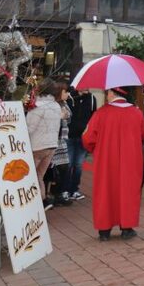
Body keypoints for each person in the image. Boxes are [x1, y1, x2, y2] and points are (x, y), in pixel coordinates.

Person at [82, 87, 144, 240]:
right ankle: (127, 227)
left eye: (107, 93)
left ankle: (104, 230)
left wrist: (93, 149)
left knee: (105, 190)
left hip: (106, 159)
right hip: (130, 159)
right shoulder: (136, 113)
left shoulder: (101, 113)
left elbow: (88, 138)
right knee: (128, 190)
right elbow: (143, 133)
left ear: (112, 93)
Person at [26, 78, 63, 211]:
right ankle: (42, 203)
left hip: (37, 146)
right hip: (51, 145)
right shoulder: (56, 106)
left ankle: (37, 205)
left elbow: (29, 128)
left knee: (29, 177)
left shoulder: (37, 106)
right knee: (39, 176)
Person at [65, 87, 96, 201]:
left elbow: (93, 117)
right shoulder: (70, 97)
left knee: (78, 164)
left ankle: (74, 189)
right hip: (69, 135)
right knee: (68, 163)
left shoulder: (92, 99)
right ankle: (65, 190)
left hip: (83, 137)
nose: (87, 87)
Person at [49, 82, 73, 207]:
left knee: (63, 168)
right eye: (65, 92)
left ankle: (58, 193)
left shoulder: (64, 104)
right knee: (56, 168)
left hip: (63, 139)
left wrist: (64, 115)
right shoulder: (53, 105)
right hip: (54, 139)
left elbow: (69, 118)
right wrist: (60, 116)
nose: (68, 94)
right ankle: (53, 194)